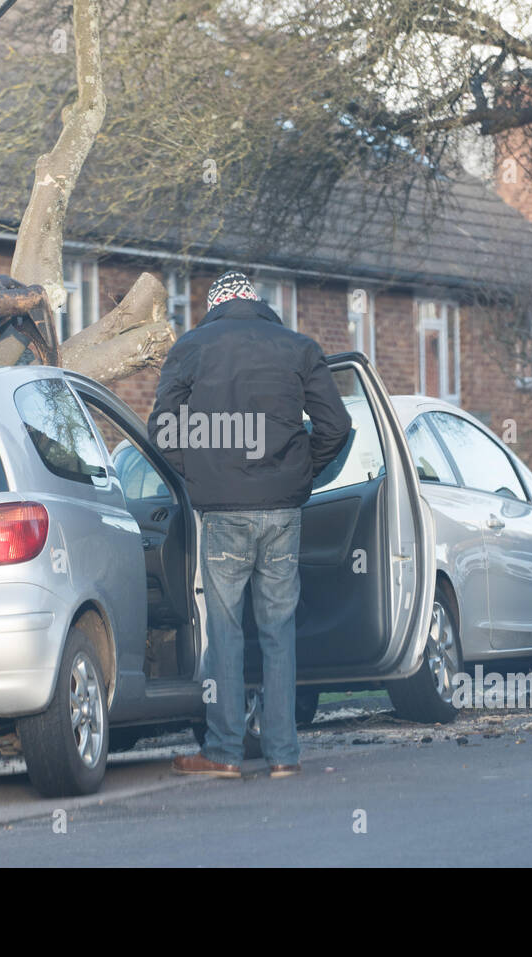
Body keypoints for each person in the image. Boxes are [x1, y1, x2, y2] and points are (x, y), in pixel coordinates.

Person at [148, 271, 352, 779]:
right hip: (282, 510)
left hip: (223, 512)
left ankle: (223, 752)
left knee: (227, 630)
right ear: (257, 303)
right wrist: (303, 473)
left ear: (216, 305)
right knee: (279, 631)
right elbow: (337, 427)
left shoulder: (193, 347)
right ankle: (284, 755)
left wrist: (199, 470)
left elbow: (161, 428)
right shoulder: (299, 347)